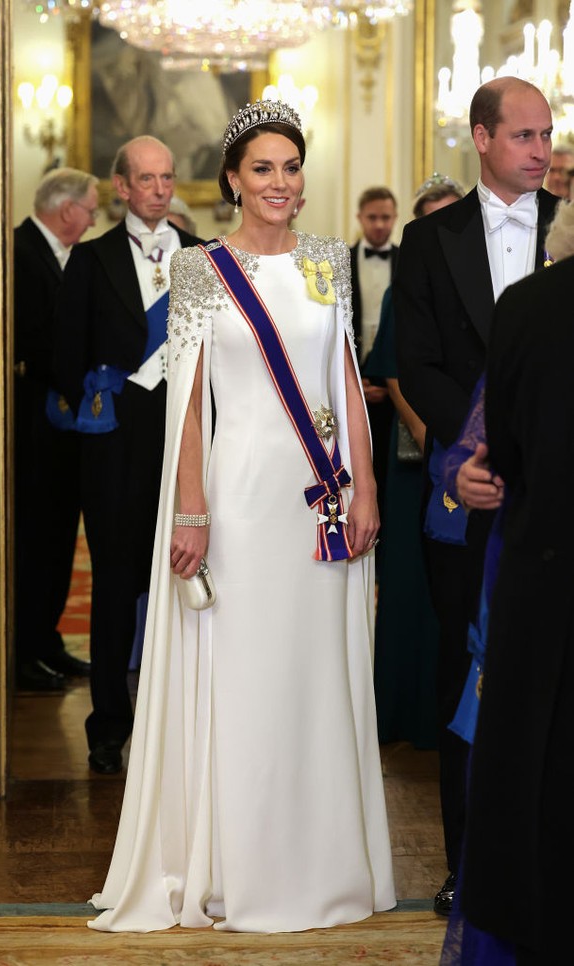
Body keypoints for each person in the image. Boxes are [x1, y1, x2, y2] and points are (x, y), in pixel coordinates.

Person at [88, 99, 395, 933]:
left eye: (291, 167)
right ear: (231, 179)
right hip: (239, 501)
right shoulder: (199, 271)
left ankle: (322, 859)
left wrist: (366, 488)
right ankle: (237, 863)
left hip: (320, 504)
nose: (281, 183)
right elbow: (188, 407)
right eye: (263, 168)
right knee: (246, 675)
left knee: (314, 674)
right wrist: (191, 512)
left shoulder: (330, 260)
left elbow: (347, 386)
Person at [393, 76, 558, 916]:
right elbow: (411, 359)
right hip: (466, 490)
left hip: (557, 500)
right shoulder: (430, 242)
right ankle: (469, 867)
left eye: (547, 135)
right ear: (482, 137)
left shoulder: (569, 231)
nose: (542, 151)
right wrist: (461, 452)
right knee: (467, 680)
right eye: (526, 136)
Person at [55, 136, 201, 775]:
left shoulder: (202, 258)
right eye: (147, 179)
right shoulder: (90, 261)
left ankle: (187, 718)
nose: (160, 189)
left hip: (189, 432)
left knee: (191, 572)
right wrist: (99, 388)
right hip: (116, 440)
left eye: (167, 178)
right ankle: (109, 725)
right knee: (115, 584)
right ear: (121, 187)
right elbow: (66, 351)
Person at [364, 174, 464, 750]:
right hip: (417, 458)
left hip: (476, 454)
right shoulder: (402, 287)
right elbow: (393, 372)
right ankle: (403, 713)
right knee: (408, 585)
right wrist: (432, 439)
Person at [14, 167, 99, 692]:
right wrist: (87, 376)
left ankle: (47, 642)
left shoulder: (58, 255)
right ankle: (25, 650)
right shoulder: (20, 252)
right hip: (34, 430)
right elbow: (38, 340)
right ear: (66, 210)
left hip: (61, 429)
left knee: (60, 537)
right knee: (35, 542)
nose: (92, 219)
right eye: (90, 209)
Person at [349, 186, 398, 536]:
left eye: (386, 217)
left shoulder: (410, 261)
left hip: (397, 385)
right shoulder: (339, 261)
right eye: (372, 217)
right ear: (360, 218)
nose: (379, 225)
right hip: (351, 377)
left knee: (389, 470)